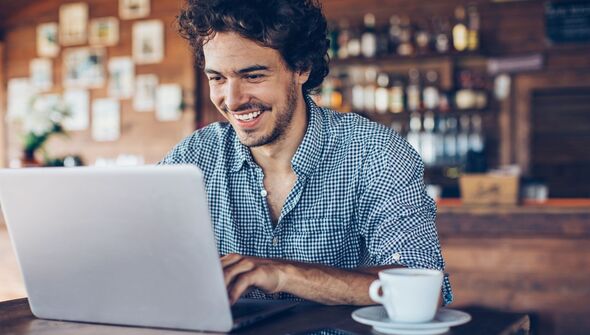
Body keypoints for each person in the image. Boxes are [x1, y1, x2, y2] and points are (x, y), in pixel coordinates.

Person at [161, 0, 453, 306]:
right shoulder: (193, 158)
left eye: (253, 76)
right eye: (217, 78)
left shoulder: (374, 152)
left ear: (301, 68)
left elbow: (424, 290)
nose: (232, 101)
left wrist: (284, 275)